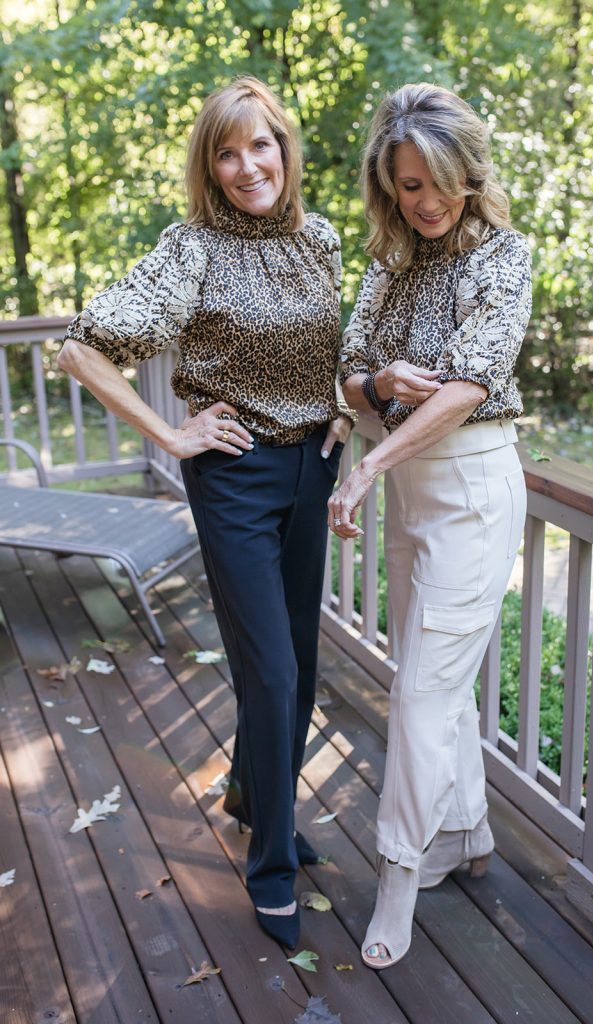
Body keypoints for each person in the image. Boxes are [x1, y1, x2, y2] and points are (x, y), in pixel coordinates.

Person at [58, 75, 354, 950]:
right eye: (226, 152)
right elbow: (81, 347)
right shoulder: (190, 249)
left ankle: (249, 795)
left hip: (314, 467)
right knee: (267, 673)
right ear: (209, 166)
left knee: (296, 661)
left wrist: (338, 407)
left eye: (259, 144)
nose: (245, 165)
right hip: (234, 475)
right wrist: (168, 435)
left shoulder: (321, 240)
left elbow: (329, 352)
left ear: (284, 149)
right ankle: (268, 863)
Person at [329, 82, 531, 969]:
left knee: (416, 698)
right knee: (427, 678)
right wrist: (380, 386)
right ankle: (469, 834)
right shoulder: (389, 262)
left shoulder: (505, 256)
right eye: (407, 185)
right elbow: (349, 372)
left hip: (472, 492)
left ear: (468, 170)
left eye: (438, 181)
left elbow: (470, 384)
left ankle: (401, 873)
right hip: (410, 496)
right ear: (388, 186)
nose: (426, 201)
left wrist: (372, 455)